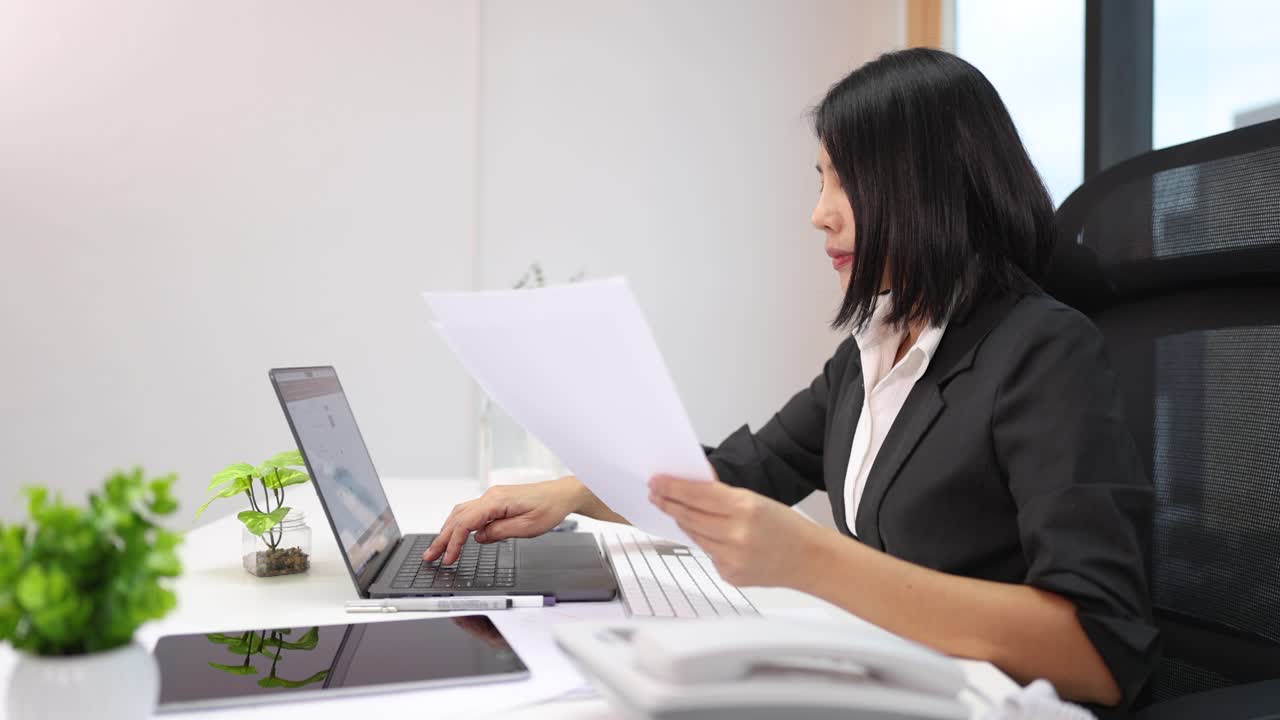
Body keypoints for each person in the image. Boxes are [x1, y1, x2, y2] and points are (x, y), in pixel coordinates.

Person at [423, 48, 1157, 713]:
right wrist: (572, 494)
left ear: (933, 188)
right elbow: (748, 472)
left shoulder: (1044, 351)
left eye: (849, 184)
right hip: (893, 683)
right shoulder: (873, 346)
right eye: (821, 181)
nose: (818, 215)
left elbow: (1099, 651)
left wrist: (812, 560)